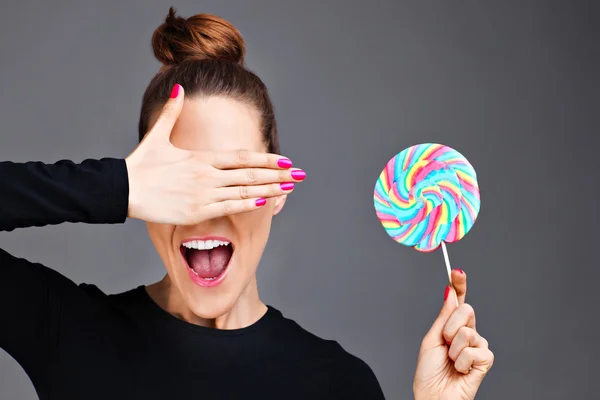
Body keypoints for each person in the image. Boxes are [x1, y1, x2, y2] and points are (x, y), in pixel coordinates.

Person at [0, 8, 493, 400]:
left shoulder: (337, 383)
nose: (207, 209)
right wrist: (118, 185)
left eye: (233, 179)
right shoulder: (68, 333)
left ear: (277, 189)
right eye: (183, 183)